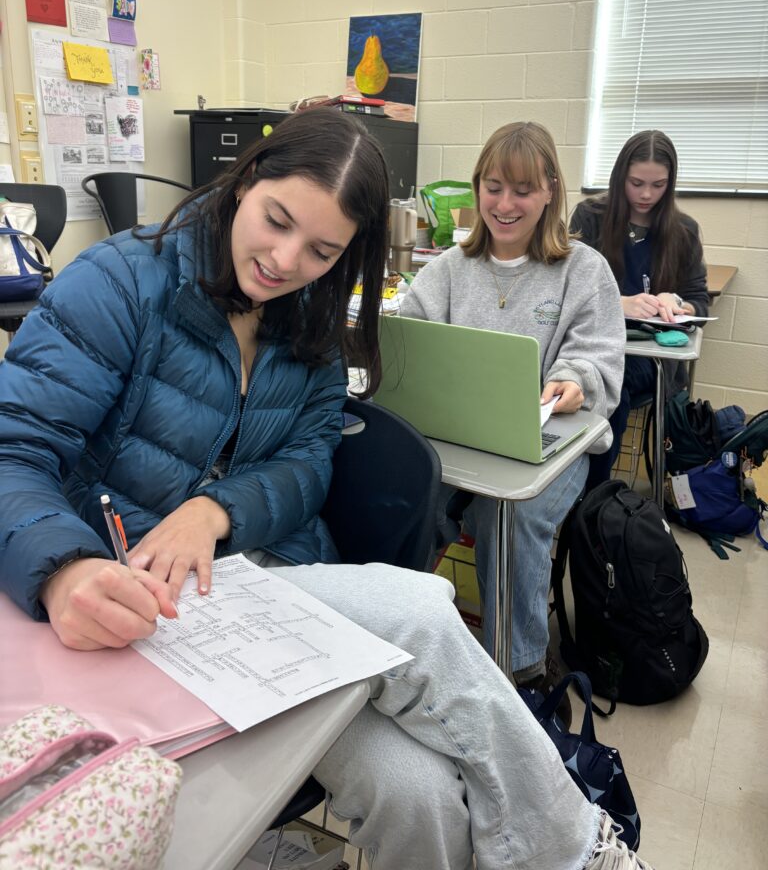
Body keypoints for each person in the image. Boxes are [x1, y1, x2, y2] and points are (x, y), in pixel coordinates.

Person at [0, 109, 653, 870]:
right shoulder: (119, 283)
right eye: (275, 222)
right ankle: (580, 854)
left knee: (417, 793)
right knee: (420, 610)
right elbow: (14, 450)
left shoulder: (308, 317)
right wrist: (65, 568)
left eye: (321, 251)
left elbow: (309, 463)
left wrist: (216, 511)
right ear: (246, 181)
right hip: (142, 599)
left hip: (255, 581)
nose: (282, 261)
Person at [399, 122, 625, 696]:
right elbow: (406, 342)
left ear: (551, 189)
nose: (505, 204)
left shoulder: (584, 270)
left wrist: (572, 382)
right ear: (477, 188)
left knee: (509, 514)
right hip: (457, 441)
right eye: (493, 186)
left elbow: (596, 360)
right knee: (401, 493)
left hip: (547, 449)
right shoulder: (447, 269)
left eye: (522, 189)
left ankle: (519, 672)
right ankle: (400, 635)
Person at [570, 130, 709, 489]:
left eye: (658, 185)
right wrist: (618, 302)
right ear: (620, 178)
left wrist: (675, 301)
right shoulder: (590, 217)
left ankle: (592, 498)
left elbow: (699, 298)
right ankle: (581, 491)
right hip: (593, 344)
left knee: (611, 385)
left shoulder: (684, 230)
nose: (646, 194)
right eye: (636, 183)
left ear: (670, 183)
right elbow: (566, 288)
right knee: (598, 379)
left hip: (646, 358)